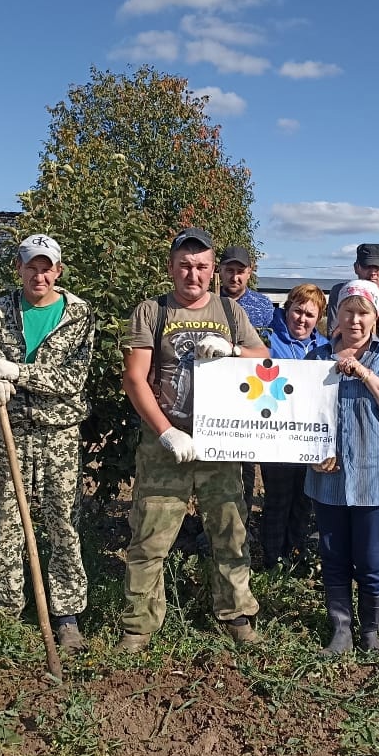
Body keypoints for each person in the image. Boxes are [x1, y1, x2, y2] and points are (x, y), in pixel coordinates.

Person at [118, 227, 269, 653]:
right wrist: (166, 431)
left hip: (220, 444)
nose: (193, 274)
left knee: (229, 529)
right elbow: (134, 378)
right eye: (184, 265)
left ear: (213, 270)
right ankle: (138, 626)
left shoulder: (229, 312)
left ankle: (236, 614)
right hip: (164, 446)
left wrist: (231, 349)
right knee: (150, 534)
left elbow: (261, 359)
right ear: (171, 267)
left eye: (202, 266)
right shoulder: (152, 312)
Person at [0, 234, 95, 652]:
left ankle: (66, 615)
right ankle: (5, 612)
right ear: (19, 269)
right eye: (31, 267)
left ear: (58, 270)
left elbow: (72, 380)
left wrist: (15, 372)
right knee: (8, 521)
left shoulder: (78, 315)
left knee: (63, 523)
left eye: (47, 267)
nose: (40, 274)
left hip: (59, 434)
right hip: (11, 432)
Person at [306, 280, 379, 655]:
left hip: (377, 478)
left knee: (372, 559)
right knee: (334, 555)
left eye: (363, 313)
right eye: (348, 311)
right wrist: (312, 452)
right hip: (328, 479)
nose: (355, 320)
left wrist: (365, 374)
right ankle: (340, 630)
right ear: (337, 314)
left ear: (376, 316)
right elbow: (299, 417)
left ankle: (370, 631)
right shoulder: (316, 359)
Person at [259, 283, 330, 571]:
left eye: (309, 314)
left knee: (304, 500)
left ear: (318, 318)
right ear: (287, 309)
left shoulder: (325, 347)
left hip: (309, 437)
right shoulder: (268, 341)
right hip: (275, 435)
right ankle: (272, 560)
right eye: (297, 311)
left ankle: (296, 556)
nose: (301, 318)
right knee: (277, 499)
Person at [218, 245, 275, 515]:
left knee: (246, 463)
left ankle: (243, 521)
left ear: (249, 272)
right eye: (230, 271)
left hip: (251, 392)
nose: (235, 277)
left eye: (240, 272)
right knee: (214, 462)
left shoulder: (263, 307)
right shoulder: (207, 302)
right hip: (215, 391)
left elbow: (271, 348)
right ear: (220, 271)